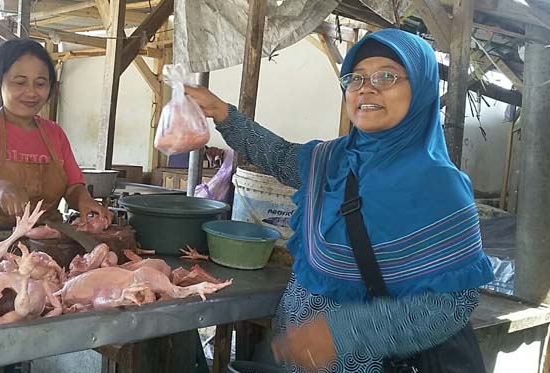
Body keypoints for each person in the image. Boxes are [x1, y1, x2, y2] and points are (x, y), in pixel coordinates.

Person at [185, 28, 493, 372]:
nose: (366, 87)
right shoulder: (333, 159)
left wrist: (339, 333)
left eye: (386, 76)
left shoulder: (440, 186)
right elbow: (280, 156)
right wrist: (223, 113)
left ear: (420, 88)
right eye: (355, 77)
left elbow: (451, 306)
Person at [0, 38, 111, 231]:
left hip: (43, 242)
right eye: (20, 83)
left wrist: (85, 201)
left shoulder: (54, 134)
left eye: (40, 84)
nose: (31, 92)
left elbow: (73, 187)